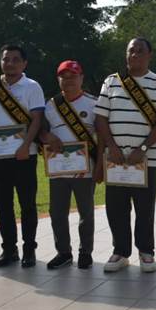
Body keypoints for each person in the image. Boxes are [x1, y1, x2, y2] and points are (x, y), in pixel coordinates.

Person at [95, 37, 156, 273]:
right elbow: (100, 118)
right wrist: (112, 147)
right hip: (115, 159)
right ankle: (121, 252)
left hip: (146, 160)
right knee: (116, 208)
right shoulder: (112, 82)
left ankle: (146, 252)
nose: (134, 54)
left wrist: (144, 149)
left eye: (140, 51)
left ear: (150, 55)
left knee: (145, 209)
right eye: (131, 51)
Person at [0, 44, 45, 268]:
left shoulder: (32, 86)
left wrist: (25, 145)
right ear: (1, 62)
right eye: (6, 59)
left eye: (15, 59)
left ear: (24, 63)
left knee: (27, 205)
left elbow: (36, 120)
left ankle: (29, 249)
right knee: (2, 205)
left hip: (25, 155)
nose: (10, 63)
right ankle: (9, 249)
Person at [40, 60, 101, 270]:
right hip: (58, 169)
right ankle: (63, 252)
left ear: (81, 78)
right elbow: (40, 131)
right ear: (58, 80)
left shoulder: (94, 103)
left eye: (73, 76)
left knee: (86, 213)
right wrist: (47, 136)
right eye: (63, 77)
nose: (68, 80)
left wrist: (101, 165)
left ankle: (86, 252)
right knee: (57, 213)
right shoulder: (50, 105)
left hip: (85, 169)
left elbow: (102, 138)